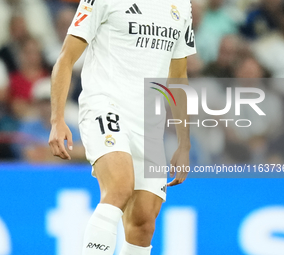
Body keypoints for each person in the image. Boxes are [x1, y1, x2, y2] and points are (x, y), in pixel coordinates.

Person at [49, 0, 196, 254]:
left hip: (149, 122)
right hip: (105, 104)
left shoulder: (182, 6)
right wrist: (57, 119)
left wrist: (184, 143)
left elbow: (179, 76)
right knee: (120, 186)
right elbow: (66, 57)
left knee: (143, 222)